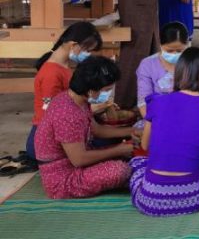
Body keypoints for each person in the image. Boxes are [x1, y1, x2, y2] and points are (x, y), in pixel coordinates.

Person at [129, 47, 199, 217]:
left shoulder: (157, 103)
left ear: (179, 72)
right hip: (192, 198)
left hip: (150, 200)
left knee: (138, 163)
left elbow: (145, 145)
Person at [34, 56, 133, 199]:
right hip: (62, 179)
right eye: (107, 90)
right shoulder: (67, 114)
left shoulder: (75, 99)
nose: (109, 94)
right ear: (91, 90)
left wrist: (131, 131)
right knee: (120, 170)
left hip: (74, 162)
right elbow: (79, 159)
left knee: (123, 155)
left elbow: (96, 129)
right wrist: (119, 149)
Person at [26, 22, 104, 165]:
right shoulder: (51, 73)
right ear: (73, 45)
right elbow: (49, 110)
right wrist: (89, 110)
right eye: (87, 50)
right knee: (101, 145)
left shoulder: (64, 66)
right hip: (46, 140)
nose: (88, 55)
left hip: (59, 131)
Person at [135, 22, 189, 129]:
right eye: (169, 50)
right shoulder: (148, 65)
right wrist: (158, 124)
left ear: (187, 45)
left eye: (179, 51)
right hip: (155, 118)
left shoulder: (192, 63)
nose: (174, 54)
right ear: (160, 45)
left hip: (187, 116)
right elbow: (143, 102)